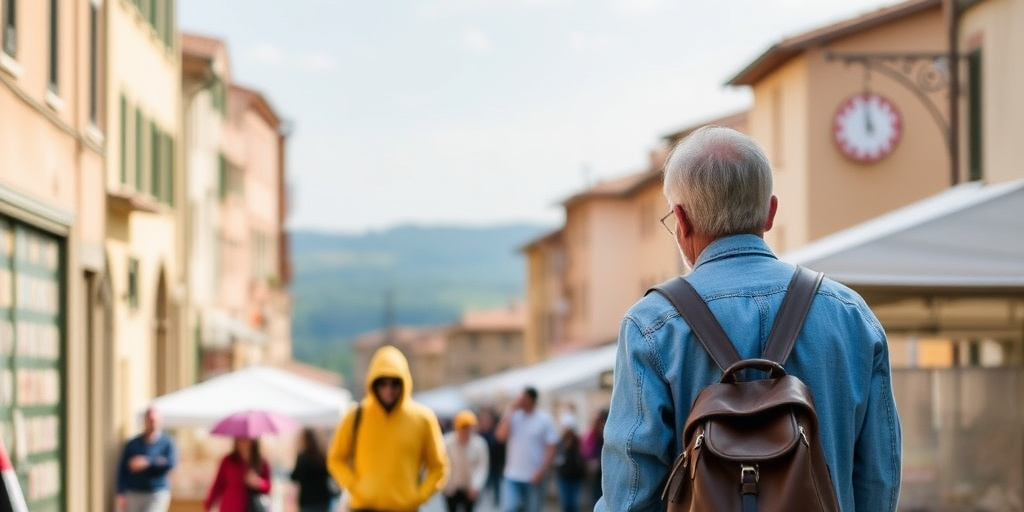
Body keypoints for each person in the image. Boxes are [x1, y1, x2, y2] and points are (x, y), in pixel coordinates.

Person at [596, 125, 902, 511]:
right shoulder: (852, 316)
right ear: (770, 212)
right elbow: (878, 477)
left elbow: (630, 495)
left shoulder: (652, 326)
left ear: (682, 220)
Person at [326, 345, 448, 512]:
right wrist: (354, 485)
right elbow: (336, 458)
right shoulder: (356, 416)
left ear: (404, 383)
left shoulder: (423, 418)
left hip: (404, 508)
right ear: (373, 383)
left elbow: (438, 466)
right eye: (382, 383)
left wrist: (420, 495)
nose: (388, 390)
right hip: (363, 507)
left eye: (394, 383)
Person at [495, 386, 559, 512]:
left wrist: (541, 471)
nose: (519, 400)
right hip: (512, 475)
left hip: (534, 476)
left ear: (531, 399)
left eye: (522, 398)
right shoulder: (513, 416)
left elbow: (551, 448)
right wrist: (510, 411)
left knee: (533, 509)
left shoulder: (544, 419)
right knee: (510, 508)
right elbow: (500, 437)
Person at [116, 405, 177, 512]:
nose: (152, 423)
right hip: (134, 492)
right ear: (145, 421)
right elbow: (123, 469)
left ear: (160, 421)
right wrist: (121, 492)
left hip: (156, 492)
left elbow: (170, 463)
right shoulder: (133, 444)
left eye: (155, 420)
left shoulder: (166, 442)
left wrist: (148, 463)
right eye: (150, 420)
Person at [203, 437, 271, 512]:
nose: (243, 442)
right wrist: (208, 505)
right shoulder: (228, 461)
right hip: (230, 507)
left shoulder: (261, 462)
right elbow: (217, 485)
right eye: (240, 439)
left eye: (246, 439)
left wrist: (258, 483)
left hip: (252, 507)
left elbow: (268, 487)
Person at [442, 410, 489, 512]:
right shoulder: (446, 442)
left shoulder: (480, 444)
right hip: (451, 488)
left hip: (470, 487)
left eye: (469, 428)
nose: (466, 431)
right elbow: (442, 464)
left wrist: (476, 486)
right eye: (463, 428)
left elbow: (482, 467)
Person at [290, 428, 340, 512]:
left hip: (308, 501)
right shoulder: (322, 456)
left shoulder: (303, 457)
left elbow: (295, 477)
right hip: (322, 499)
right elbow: (330, 474)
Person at [552, 418, 585, 512]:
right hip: (563, 475)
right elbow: (557, 459)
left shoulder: (578, 442)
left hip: (575, 476)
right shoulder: (560, 442)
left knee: (574, 503)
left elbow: (582, 457)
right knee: (565, 502)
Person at [476, 407, 505, 507]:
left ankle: (496, 503)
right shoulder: (480, 433)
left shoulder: (496, 432)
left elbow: (497, 446)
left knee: (495, 485)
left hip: (495, 464)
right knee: (483, 485)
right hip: (484, 465)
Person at [579, 408, 607, 508]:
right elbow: (587, 450)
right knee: (596, 495)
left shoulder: (605, 432)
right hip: (597, 471)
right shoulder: (593, 433)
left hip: (604, 470)